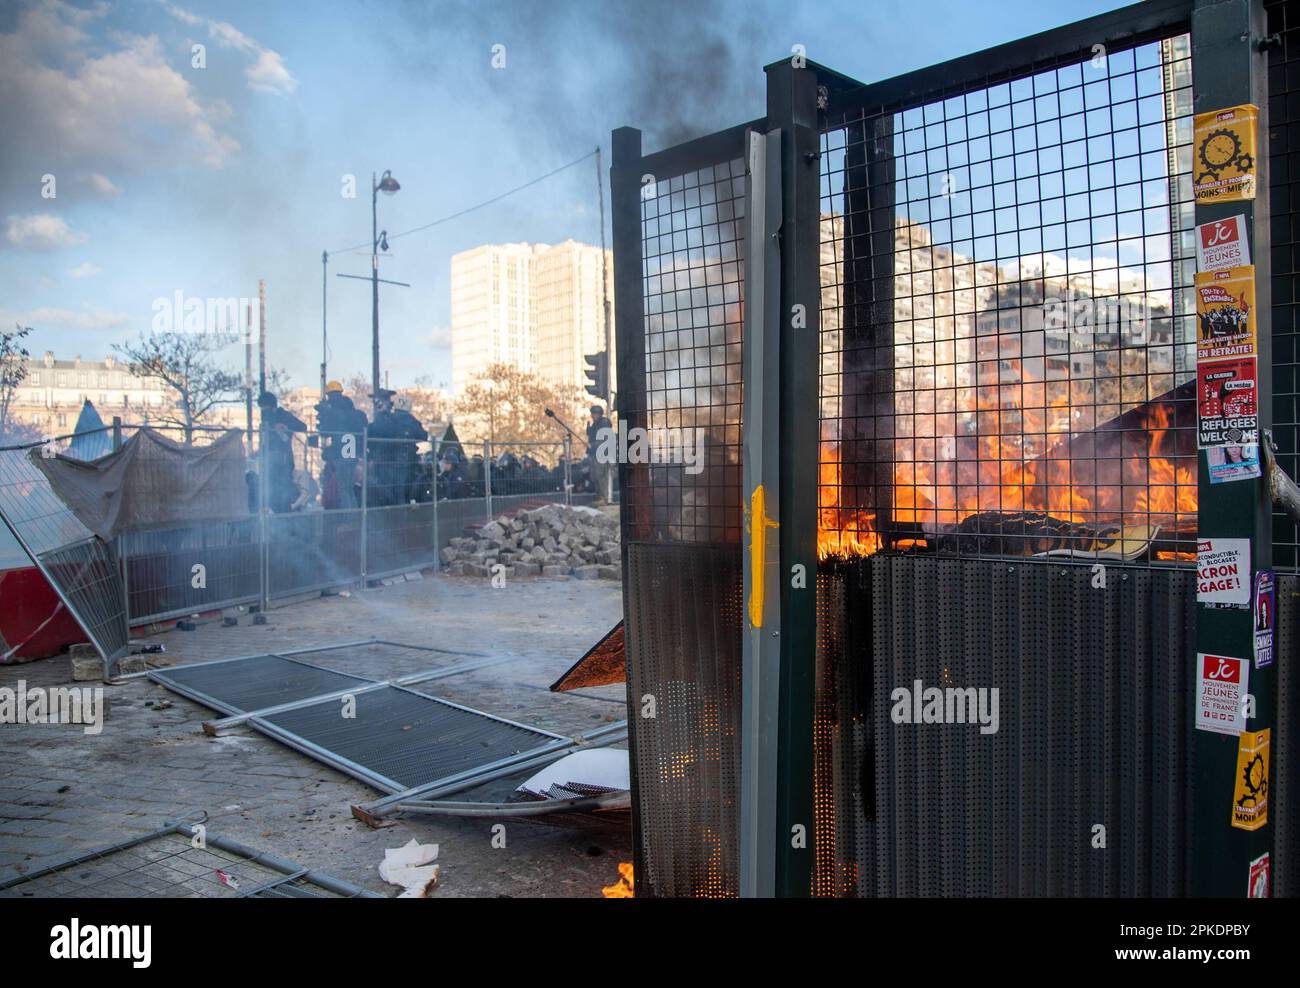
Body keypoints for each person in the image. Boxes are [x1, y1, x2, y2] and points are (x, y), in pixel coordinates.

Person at [315, 381, 367, 509]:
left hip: (341, 453)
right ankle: (355, 515)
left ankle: (349, 516)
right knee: (349, 488)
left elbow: (325, 432)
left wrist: (322, 420)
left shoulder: (333, 412)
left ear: (330, 395)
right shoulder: (353, 412)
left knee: (343, 488)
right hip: (353, 452)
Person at [257, 391, 306, 513]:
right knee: (272, 493)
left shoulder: (284, 415)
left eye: (266, 409)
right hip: (269, 462)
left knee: (284, 492)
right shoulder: (265, 420)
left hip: (284, 461)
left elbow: (303, 427)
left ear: (273, 406)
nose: (264, 412)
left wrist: (286, 427)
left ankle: (287, 517)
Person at [586, 404, 613, 503]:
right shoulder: (595, 424)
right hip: (595, 453)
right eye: (592, 414)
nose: (593, 416)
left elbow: (604, 439)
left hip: (602, 453)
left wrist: (593, 445)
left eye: (594, 414)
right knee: (594, 475)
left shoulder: (604, 423)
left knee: (600, 475)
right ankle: (599, 496)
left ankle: (604, 497)